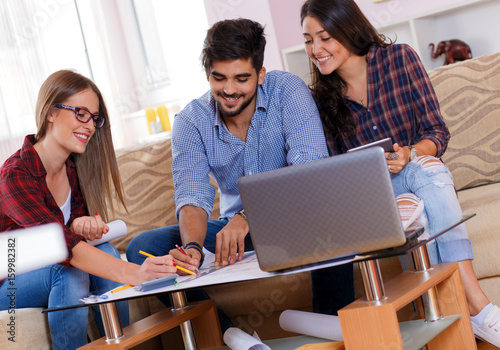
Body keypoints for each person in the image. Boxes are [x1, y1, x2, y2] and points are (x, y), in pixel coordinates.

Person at [126, 18, 355, 332]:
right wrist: (191, 248)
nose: (229, 90)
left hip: (298, 216)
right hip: (239, 234)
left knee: (334, 220)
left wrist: (250, 214)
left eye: (241, 78)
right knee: (145, 244)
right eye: (219, 78)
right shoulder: (191, 121)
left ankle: (333, 333)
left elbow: (309, 173)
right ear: (208, 75)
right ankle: (228, 334)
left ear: (260, 75)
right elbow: (192, 195)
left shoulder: (287, 91)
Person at [300, 0, 500, 346]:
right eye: (308, 40)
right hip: (372, 196)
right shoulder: (319, 99)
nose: (315, 50)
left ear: (349, 29)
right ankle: (478, 309)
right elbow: (333, 170)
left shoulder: (400, 59)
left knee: (426, 172)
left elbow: (437, 133)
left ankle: (456, 306)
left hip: (417, 175)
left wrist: (410, 153)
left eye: (325, 37)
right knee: (420, 194)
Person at [0, 70, 177, 350]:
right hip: (9, 284)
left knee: (105, 251)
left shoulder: (73, 170)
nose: (90, 125)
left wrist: (79, 225)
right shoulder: (15, 175)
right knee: (69, 272)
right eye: (81, 113)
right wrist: (134, 273)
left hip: (48, 265)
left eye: (95, 118)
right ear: (50, 113)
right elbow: (59, 246)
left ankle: (119, 344)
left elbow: (65, 236)